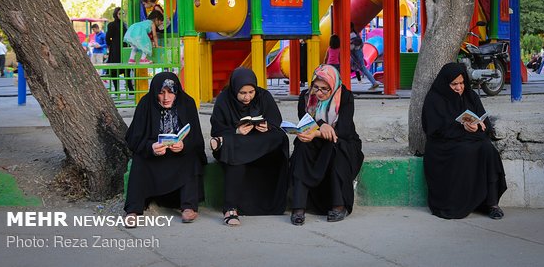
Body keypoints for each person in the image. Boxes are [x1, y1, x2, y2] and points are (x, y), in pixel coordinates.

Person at [422, 62, 507, 220]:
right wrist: (461, 128)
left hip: (471, 139)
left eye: (461, 83)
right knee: (465, 151)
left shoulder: (470, 96)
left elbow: (486, 124)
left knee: (488, 150)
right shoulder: (434, 99)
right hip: (444, 147)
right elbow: (434, 130)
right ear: (445, 83)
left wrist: (479, 126)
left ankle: (492, 204)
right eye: (454, 84)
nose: (459, 88)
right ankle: (458, 202)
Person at [124, 72, 207, 226]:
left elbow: (195, 137)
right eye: (161, 93)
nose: (166, 98)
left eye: (171, 92)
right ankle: (133, 210)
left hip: (179, 154)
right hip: (155, 154)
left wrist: (183, 145)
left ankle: (188, 206)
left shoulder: (187, 103)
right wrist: (151, 147)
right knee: (139, 160)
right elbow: (134, 138)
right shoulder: (145, 104)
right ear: (155, 93)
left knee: (192, 158)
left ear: (177, 92)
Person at [209, 67, 289, 226]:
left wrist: (267, 127)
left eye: (251, 92)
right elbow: (217, 129)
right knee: (235, 153)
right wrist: (236, 131)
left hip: (255, 143)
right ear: (234, 89)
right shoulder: (224, 99)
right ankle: (230, 208)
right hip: (237, 143)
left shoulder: (263, 96)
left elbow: (275, 122)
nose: (247, 97)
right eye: (243, 93)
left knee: (280, 137)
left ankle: (228, 142)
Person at [289, 64, 364, 226]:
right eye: (316, 87)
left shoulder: (345, 96)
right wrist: (320, 125)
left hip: (343, 141)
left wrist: (317, 131)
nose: (319, 93)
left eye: (325, 89)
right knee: (302, 147)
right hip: (314, 140)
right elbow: (305, 121)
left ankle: (339, 204)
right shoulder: (306, 97)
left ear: (333, 86)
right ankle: (298, 206)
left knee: (335, 149)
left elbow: (343, 130)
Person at [106, 7, 134, 93]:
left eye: (123, 13)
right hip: (115, 49)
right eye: (119, 13)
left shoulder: (125, 24)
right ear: (116, 14)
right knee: (115, 69)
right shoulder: (111, 25)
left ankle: (130, 89)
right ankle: (117, 90)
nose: (121, 15)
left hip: (124, 47)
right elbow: (108, 37)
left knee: (126, 69)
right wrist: (111, 45)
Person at [350, 23, 382, 90]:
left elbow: (351, 47)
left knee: (362, 68)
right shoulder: (356, 34)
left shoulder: (352, 35)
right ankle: (373, 83)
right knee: (362, 68)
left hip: (356, 53)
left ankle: (374, 83)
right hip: (358, 52)